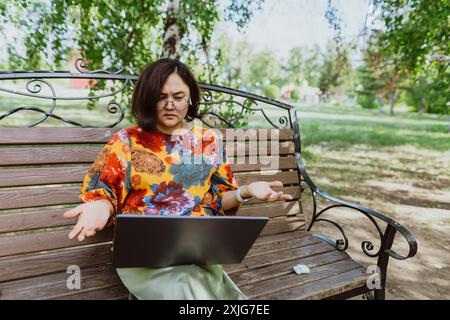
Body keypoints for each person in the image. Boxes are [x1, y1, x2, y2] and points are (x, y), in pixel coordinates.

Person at [63, 58, 293, 300]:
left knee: (193, 284)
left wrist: (245, 191)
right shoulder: (127, 141)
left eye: (178, 96)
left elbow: (215, 201)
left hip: (195, 251)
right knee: (189, 288)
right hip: (143, 254)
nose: (170, 104)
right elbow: (105, 190)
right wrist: (99, 206)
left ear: (190, 98)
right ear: (147, 98)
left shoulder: (208, 141)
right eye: (161, 97)